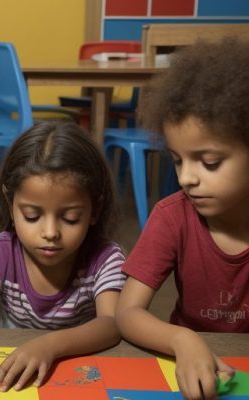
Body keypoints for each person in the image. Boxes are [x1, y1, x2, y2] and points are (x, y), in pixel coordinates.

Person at [0, 121, 126, 399]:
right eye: (32, 216)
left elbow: (111, 324)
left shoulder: (105, 259)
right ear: (10, 203)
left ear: (95, 209)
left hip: (75, 375)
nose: (50, 233)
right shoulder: (0, 252)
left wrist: (49, 345)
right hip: (7, 375)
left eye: (70, 218)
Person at [117, 38, 249, 400]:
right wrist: (182, 339)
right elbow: (126, 313)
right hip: (188, 364)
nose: (186, 178)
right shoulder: (172, 216)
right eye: (177, 160)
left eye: (208, 162)